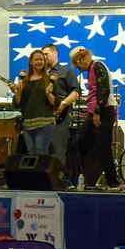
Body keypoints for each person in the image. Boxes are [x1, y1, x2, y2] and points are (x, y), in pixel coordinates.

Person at [70, 46, 121, 188]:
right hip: (95, 111)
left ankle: (113, 182)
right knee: (80, 142)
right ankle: (86, 177)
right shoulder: (92, 69)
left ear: (83, 58)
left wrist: (97, 111)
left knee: (104, 147)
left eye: (78, 63)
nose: (79, 66)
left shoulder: (97, 66)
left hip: (103, 111)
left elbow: (104, 89)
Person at [42, 43, 81, 183]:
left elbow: (76, 92)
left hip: (60, 118)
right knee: (41, 152)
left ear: (55, 54)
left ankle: (60, 182)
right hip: (41, 118)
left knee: (58, 151)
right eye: (42, 55)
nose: (44, 57)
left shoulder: (66, 72)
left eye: (46, 54)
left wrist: (63, 104)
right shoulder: (39, 73)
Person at [8, 49, 56, 155]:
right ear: (31, 62)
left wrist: (48, 93)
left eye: (41, 59)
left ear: (45, 62)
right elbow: (18, 103)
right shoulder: (25, 81)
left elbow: (54, 103)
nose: (39, 62)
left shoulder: (49, 80)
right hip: (27, 123)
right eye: (36, 59)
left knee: (40, 152)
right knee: (30, 153)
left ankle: (41, 172)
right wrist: (16, 91)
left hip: (45, 122)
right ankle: (33, 173)